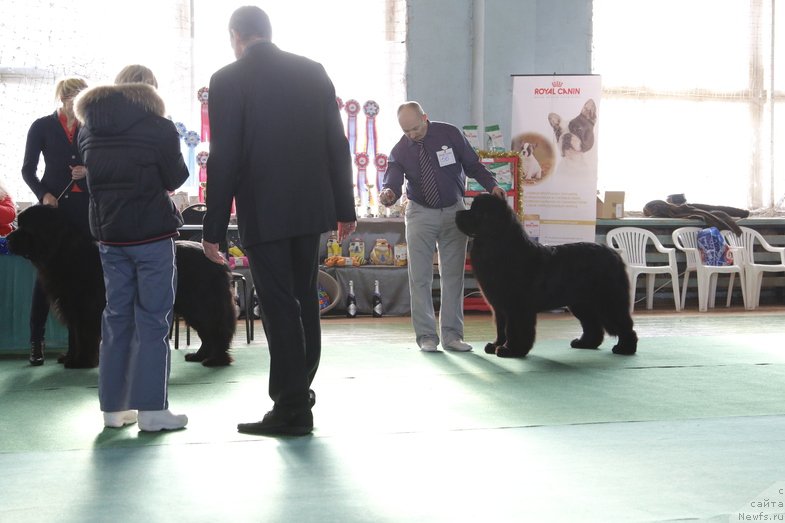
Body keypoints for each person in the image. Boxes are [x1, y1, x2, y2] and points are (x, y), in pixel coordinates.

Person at [202, 6, 356, 436]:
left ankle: (291, 408)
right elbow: (336, 143)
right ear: (268, 32)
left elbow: (225, 157)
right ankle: (298, 391)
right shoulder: (312, 70)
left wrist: (213, 229)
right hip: (312, 210)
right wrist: (345, 208)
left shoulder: (228, 79)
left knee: (278, 305)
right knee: (303, 298)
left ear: (236, 36)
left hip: (264, 211)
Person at [74, 65, 190, 431]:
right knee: (153, 320)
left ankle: (113, 409)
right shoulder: (160, 126)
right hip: (152, 236)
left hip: (109, 237)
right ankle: (152, 411)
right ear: (150, 90)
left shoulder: (87, 127)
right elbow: (175, 178)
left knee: (116, 318)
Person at [379, 101, 506, 352]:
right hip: (419, 214)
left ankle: (452, 336)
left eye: (415, 128)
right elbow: (392, 180)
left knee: (452, 276)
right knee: (420, 278)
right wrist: (388, 193)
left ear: (425, 117)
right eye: (406, 131)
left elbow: (473, 164)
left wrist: (492, 185)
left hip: (454, 212)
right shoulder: (400, 150)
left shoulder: (450, 134)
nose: (412, 135)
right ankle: (426, 336)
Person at [21, 77, 90, 366]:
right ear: (61, 98)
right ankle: (36, 340)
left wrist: (88, 171)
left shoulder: (92, 127)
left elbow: (103, 162)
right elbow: (27, 170)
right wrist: (44, 194)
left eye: (79, 96)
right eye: (69, 97)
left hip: (84, 209)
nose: (74, 102)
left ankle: (78, 346)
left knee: (81, 277)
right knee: (45, 278)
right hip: (53, 211)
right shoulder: (41, 126)